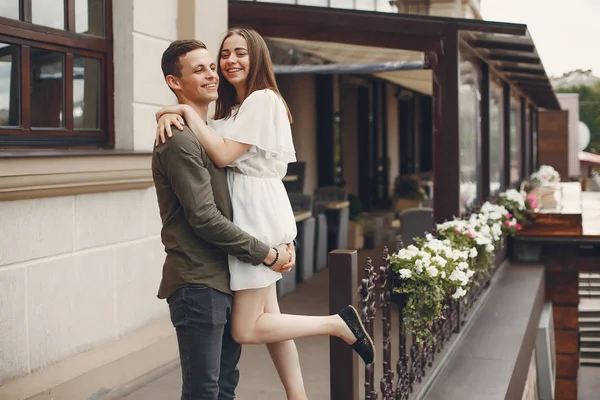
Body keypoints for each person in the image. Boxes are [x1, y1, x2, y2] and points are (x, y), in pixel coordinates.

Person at [156, 29, 375, 400]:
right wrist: (172, 111)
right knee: (271, 320)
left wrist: (180, 111)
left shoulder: (262, 99)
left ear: (258, 57)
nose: (228, 62)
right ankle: (298, 396)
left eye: (238, 53)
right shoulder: (233, 110)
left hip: (254, 215)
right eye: (223, 55)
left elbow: (222, 156)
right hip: (251, 214)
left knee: (246, 329)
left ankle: (337, 324)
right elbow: (209, 139)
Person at [153, 39, 296, 400]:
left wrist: (174, 110)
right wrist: (266, 253)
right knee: (204, 391)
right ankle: (336, 325)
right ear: (175, 82)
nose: (213, 73)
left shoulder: (214, 128)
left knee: (225, 388)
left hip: (226, 277)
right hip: (198, 282)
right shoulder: (181, 140)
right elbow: (204, 218)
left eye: (211, 67)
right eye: (199, 69)